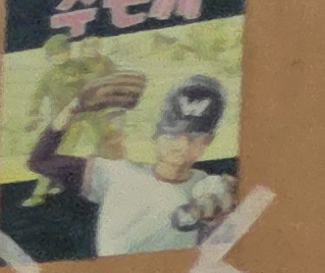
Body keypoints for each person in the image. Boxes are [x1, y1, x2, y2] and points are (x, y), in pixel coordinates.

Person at [31, 72, 239, 257]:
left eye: (194, 137)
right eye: (174, 134)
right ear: (156, 133)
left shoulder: (207, 184)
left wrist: (219, 217)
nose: (182, 145)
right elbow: (40, 161)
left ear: (208, 141)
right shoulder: (115, 173)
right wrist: (74, 107)